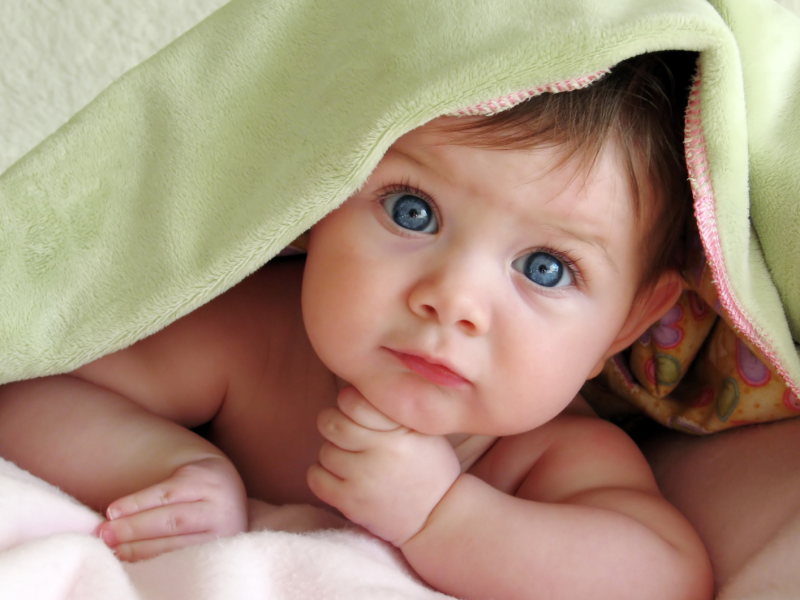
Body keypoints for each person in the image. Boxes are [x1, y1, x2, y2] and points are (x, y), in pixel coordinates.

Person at [0, 52, 713, 600]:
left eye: (547, 268)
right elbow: (32, 389)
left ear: (625, 324)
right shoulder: (258, 340)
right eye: (413, 212)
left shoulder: (549, 456)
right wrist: (168, 466)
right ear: (317, 200)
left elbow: (661, 577)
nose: (453, 299)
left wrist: (445, 517)